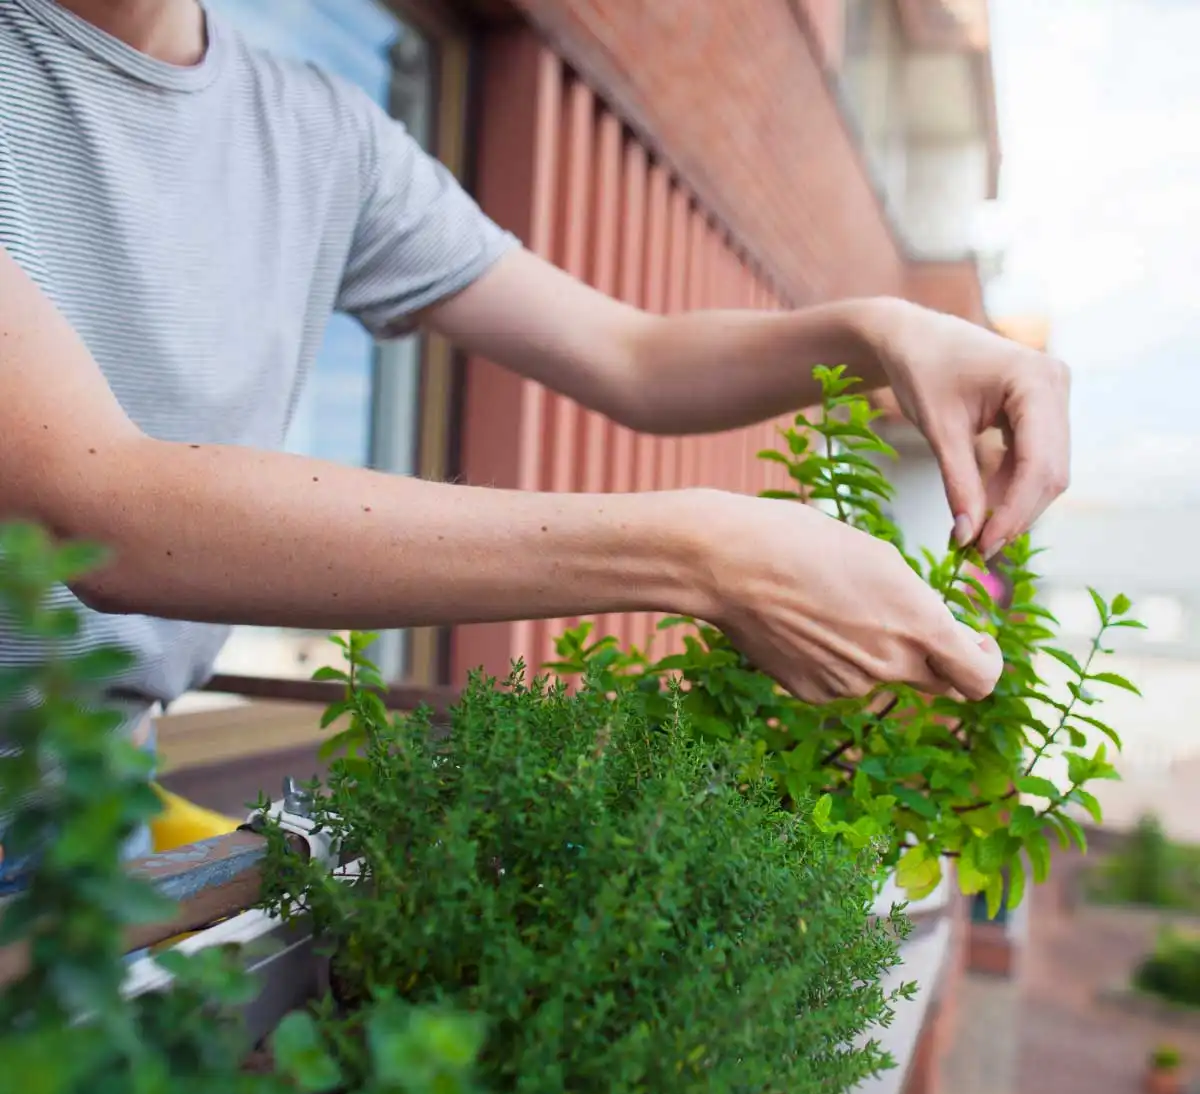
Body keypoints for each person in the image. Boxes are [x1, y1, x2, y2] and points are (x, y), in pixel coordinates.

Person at [0, 0, 1069, 876]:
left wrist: (880, 331)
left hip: (91, 806)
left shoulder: (316, 131)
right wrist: (706, 552)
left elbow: (634, 355)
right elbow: (100, 511)